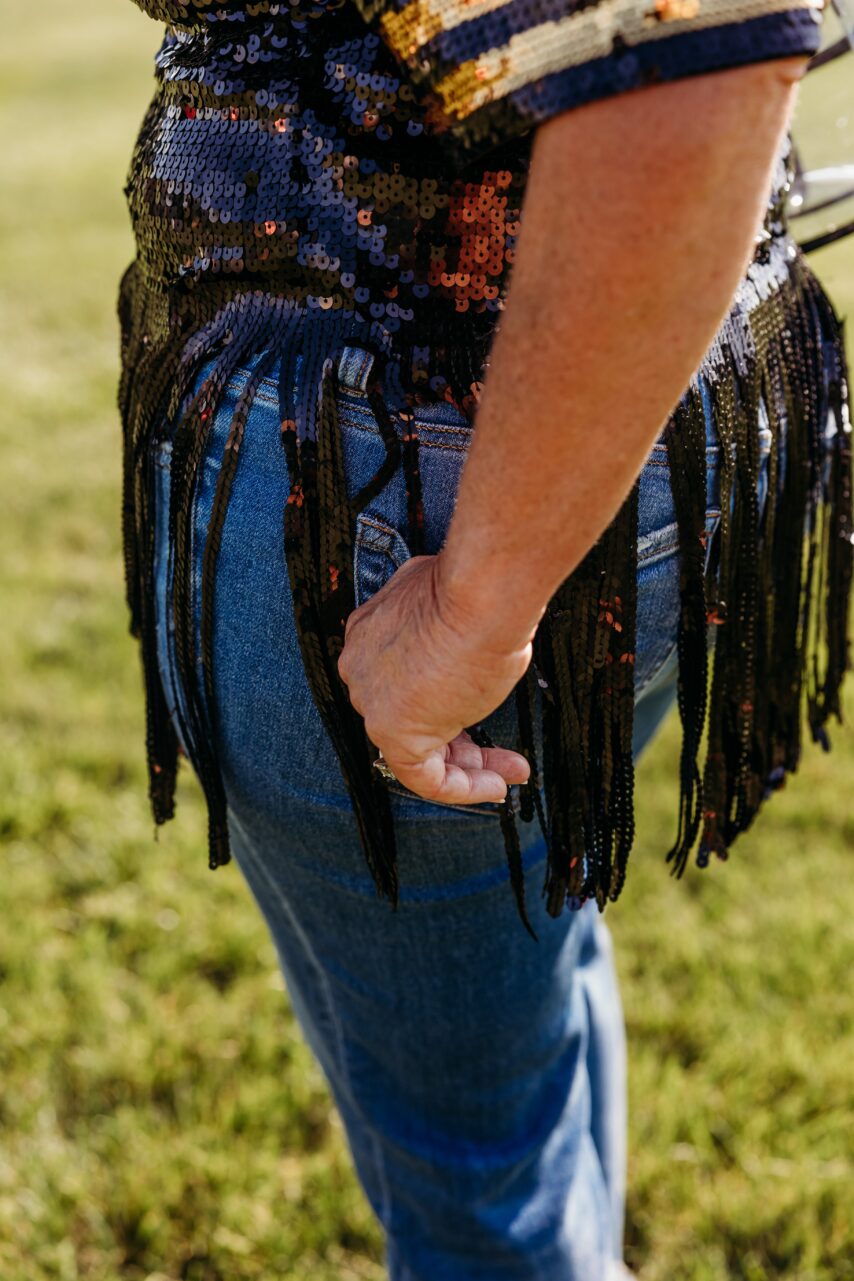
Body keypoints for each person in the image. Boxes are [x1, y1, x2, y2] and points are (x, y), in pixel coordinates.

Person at [118, 0, 851, 1276]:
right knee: (527, 956)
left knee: (473, 1177)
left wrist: (471, 608)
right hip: (520, 438)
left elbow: (677, 66)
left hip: (401, 471)